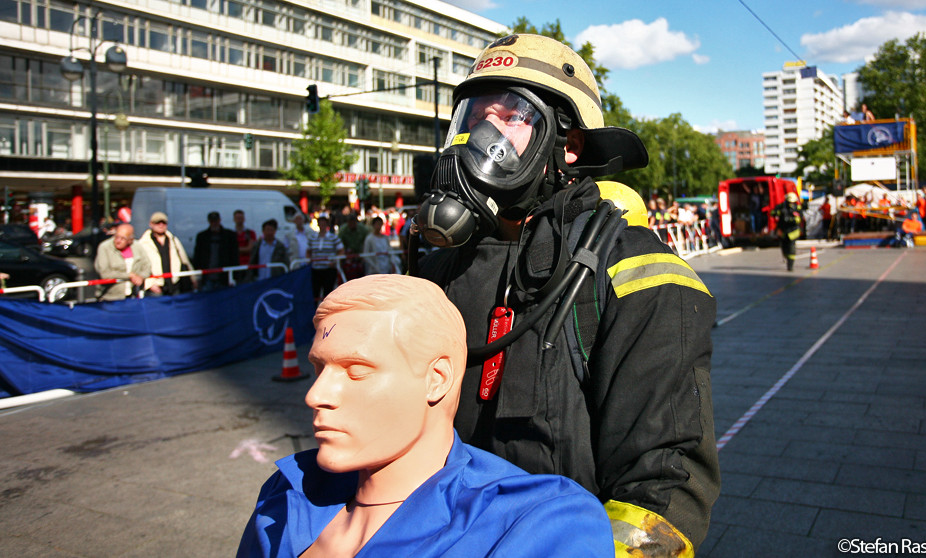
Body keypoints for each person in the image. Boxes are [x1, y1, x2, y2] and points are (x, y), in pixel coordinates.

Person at [410, 34, 718, 555]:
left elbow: (664, 485)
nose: (482, 133)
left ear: (568, 144)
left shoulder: (638, 273)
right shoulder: (438, 270)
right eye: (472, 116)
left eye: (509, 116)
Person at [237, 274, 613, 557]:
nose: (315, 395)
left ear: (437, 380)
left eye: (355, 371)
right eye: (320, 369)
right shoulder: (287, 490)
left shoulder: (535, 525)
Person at [140, 211, 195, 296]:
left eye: (164, 223)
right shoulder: (143, 243)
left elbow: (185, 260)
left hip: (174, 284)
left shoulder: (173, 240)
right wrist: (149, 284)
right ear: (151, 224)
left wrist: (194, 278)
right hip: (156, 287)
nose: (161, 225)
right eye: (157, 223)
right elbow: (140, 266)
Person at [93, 223, 151, 301]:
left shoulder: (137, 247)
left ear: (130, 240)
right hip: (110, 298)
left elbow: (147, 266)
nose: (118, 241)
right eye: (116, 237)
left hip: (133, 296)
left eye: (123, 238)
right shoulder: (104, 247)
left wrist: (141, 277)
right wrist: (129, 275)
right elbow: (105, 273)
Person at [192, 211, 239, 291]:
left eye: (216, 221)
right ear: (209, 222)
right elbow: (197, 256)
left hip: (224, 277)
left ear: (219, 220)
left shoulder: (230, 235)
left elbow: (234, 256)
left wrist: (234, 276)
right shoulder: (202, 237)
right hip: (207, 277)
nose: (214, 223)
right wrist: (197, 276)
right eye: (212, 221)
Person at [309, 215, 344, 300]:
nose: (322, 225)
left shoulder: (333, 237)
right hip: (316, 269)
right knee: (315, 293)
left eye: (324, 223)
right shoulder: (313, 237)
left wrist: (335, 261)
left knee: (328, 293)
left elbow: (341, 250)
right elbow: (308, 250)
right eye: (320, 223)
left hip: (329, 269)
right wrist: (309, 261)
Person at [771, 192, 802, 271]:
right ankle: (786, 257)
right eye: (789, 202)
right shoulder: (781, 206)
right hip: (783, 231)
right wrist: (778, 212)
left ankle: (790, 266)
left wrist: (790, 219)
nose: (790, 204)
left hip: (793, 231)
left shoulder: (797, 208)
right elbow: (772, 213)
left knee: (791, 247)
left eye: (792, 202)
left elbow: (799, 219)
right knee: (784, 247)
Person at [233, 209, 258, 283]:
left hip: (248, 265)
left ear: (244, 219)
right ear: (234, 219)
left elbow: (250, 248)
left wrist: (236, 250)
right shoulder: (231, 234)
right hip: (236, 266)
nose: (239, 220)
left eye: (241, 218)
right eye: (237, 218)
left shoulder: (250, 233)